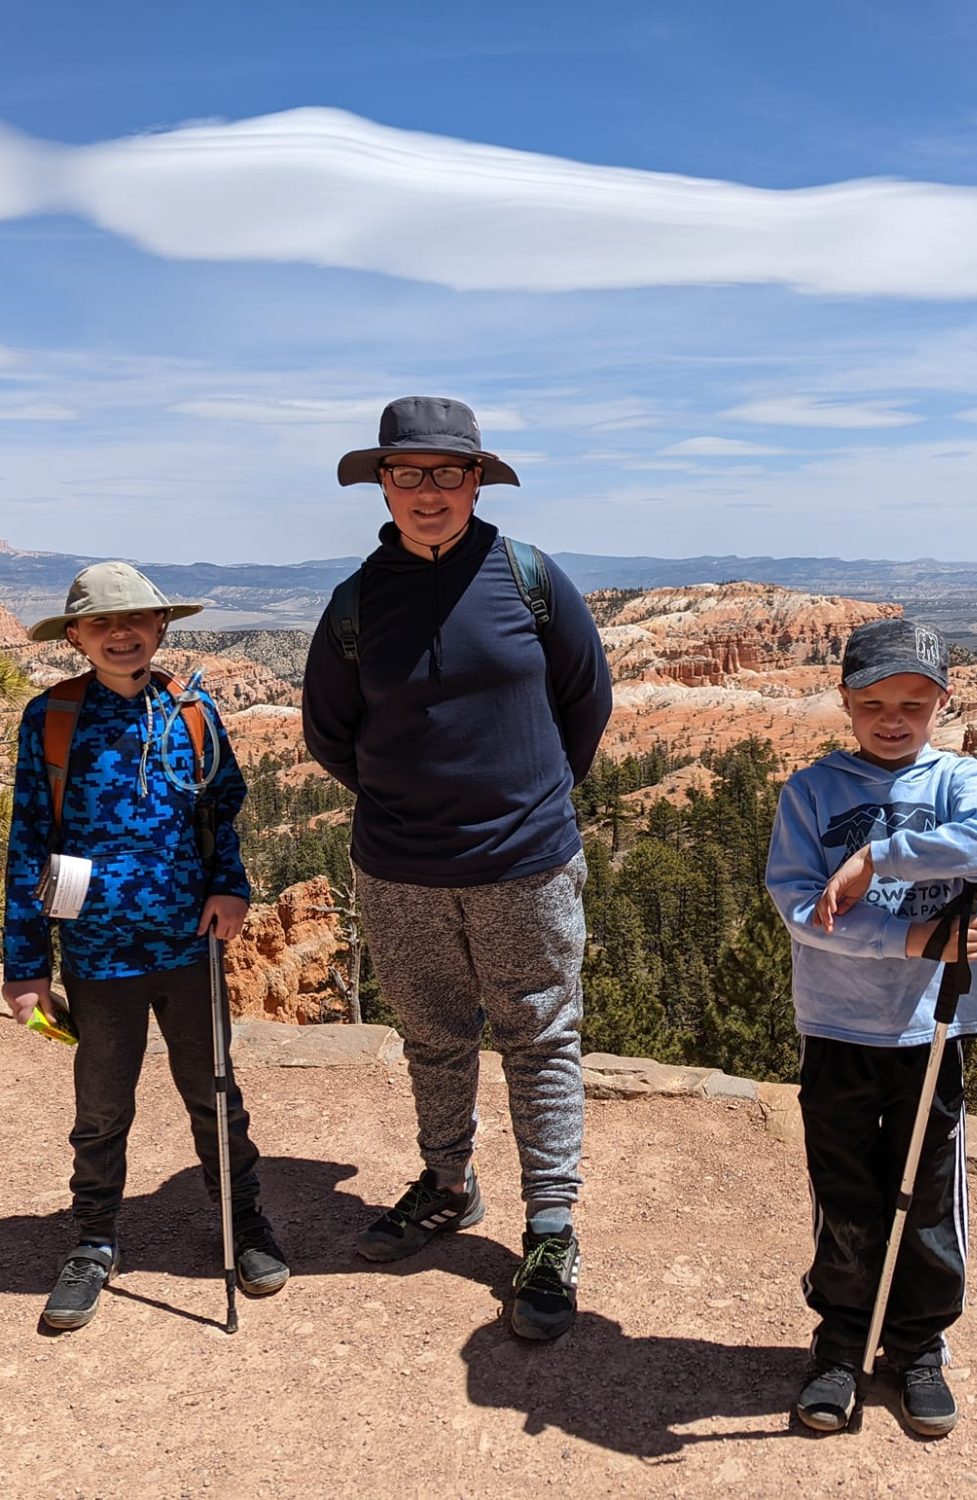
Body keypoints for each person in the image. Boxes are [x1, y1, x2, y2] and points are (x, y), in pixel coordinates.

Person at [303, 396, 612, 1339]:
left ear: (477, 481)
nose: (428, 491)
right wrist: (411, 802)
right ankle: (448, 1183)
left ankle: (551, 1226)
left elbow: (584, 701)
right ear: (383, 485)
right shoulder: (357, 601)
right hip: (399, 869)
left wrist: (524, 801)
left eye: (448, 473)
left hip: (525, 864)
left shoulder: (528, 578)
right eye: (410, 474)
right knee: (434, 1036)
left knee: (540, 1037)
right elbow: (330, 735)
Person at [2, 562, 288, 1330]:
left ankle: (242, 1223)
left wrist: (231, 885)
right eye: (100, 623)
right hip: (97, 952)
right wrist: (25, 965)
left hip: (189, 943)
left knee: (214, 1091)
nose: (121, 634)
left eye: (136, 621)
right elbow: (31, 840)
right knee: (101, 1107)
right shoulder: (52, 717)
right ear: (77, 638)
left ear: (162, 628)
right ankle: (94, 1241)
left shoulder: (193, 713)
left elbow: (221, 811)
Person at [766, 617, 977, 1436]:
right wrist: (909, 937)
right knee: (845, 1188)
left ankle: (917, 1345)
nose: (892, 719)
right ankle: (841, 1340)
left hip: (931, 1027)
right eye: (873, 703)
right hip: (837, 1023)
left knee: (930, 1188)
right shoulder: (812, 792)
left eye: (913, 701)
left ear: (943, 701)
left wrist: (879, 857)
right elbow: (799, 905)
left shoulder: (962, 782)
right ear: (845, 703)